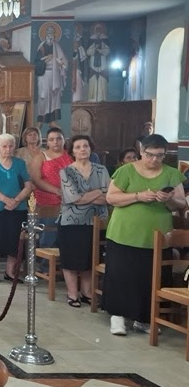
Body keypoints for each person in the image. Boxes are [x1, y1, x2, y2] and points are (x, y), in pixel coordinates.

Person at [102, 134, 186, 336]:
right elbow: (111, 198)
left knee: (150, 277)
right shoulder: (126, 170)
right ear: (141, 151)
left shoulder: (171, 174)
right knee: (121, 274)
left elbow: (181, 203)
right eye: (150, 155)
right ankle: (118, 316)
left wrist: (168, 199)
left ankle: (144, 318)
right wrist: (138, 196)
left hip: (157, 235)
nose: (154, 159)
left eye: (160, 155)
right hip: (124, 232)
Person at [58, 136, 110, 308]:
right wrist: (98, 191)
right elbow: (74, 199)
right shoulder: (66, 172)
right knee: (71, 259)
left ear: (90, 148)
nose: (82, 149)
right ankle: (73, 293)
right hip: (71, 223)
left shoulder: (101, 170)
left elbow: (108, 197)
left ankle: (87, 292)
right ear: (72, 151)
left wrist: (87, 196)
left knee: (89, 259)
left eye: (85, 146)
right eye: (78, 147)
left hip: (96, 221)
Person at [0, 133, 34, 283]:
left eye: (11, 146)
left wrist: (16, 200)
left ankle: (10, 271)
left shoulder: (20, 163)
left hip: (17, 207)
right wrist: (6, 200)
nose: (8, 149)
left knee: (14, 238)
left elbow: (28, 186)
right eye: (4, 146)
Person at [29, 128, 72, 255]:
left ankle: (65, 262)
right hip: (47, 200)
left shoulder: (71, 156)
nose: (55, 142)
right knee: (49, 234)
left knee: (68, 235)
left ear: (64, 140)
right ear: (47, 142)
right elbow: (36, 179)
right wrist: (57, 191)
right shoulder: (40, 157)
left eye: (59, 138)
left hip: (69, 200)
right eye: (52, 139)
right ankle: (46, 263)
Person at [35, 23, 68, 124]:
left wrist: (60, 63)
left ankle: (52, 121)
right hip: (44, 75)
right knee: (44, 96)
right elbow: (37, 63)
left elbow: (63, 61)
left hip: (54, 75)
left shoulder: (57, 46)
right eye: (49, 34)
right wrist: (46, 59)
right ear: (46, 35)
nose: (51, 36)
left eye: (52, 34)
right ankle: (41, 120)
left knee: (54, 96)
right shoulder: (42, 47)